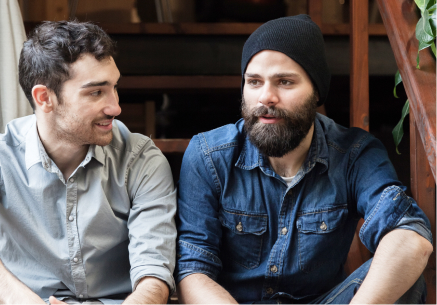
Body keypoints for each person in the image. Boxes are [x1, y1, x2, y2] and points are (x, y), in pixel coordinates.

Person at [175, 15, 432, 304]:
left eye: (284, 82)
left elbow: (409, 237)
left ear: (316, 92)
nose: (266, 97)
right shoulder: (209, 155)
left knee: (404, 278)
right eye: (254, 82)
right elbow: (193, 271)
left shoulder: (354, 153)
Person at [0, 20, 176, 304]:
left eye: (114, 87)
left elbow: (153, 276)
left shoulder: (141, 158)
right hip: (29, 300)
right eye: (96, 92)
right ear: (44, 98)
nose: (115, 107)